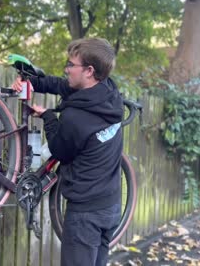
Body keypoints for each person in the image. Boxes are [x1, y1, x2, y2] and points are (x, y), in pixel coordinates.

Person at [12, 38, 124, 266]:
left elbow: (59, 150)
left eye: (71, 64)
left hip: (85, 217)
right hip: (111, 207)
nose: (66, 69)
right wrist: (34, 82)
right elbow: (62, 85)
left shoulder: (76, 118)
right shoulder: (109, 93)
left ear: (89, 71)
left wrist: (48, 117)